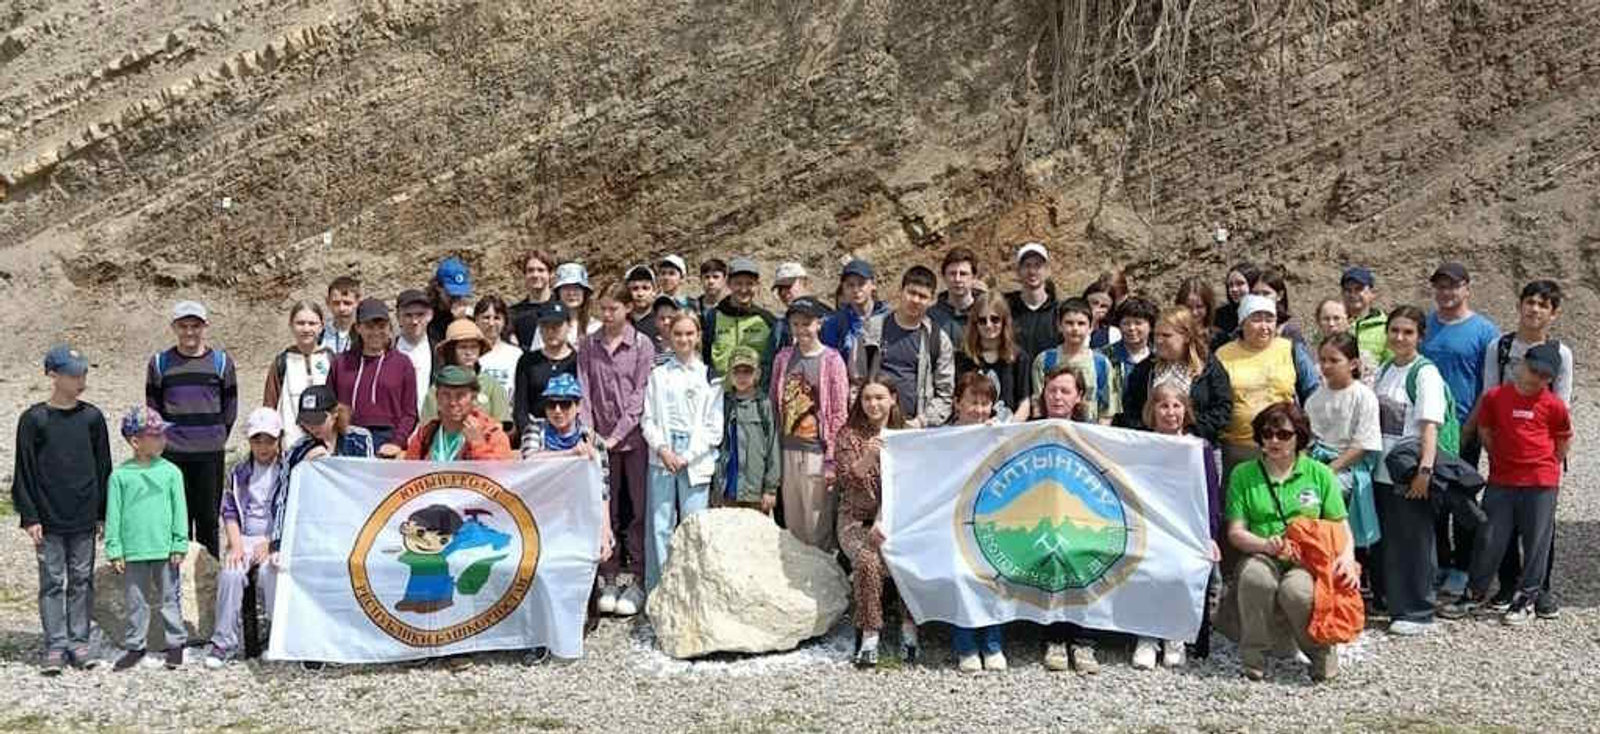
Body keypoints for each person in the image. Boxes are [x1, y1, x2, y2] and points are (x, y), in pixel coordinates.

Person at [1223, 402, 1356, 682]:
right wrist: (1263, 544)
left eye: (1283, 435)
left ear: (1299, 437)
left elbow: (1339, 524)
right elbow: (1236, 532)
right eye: (1267, 434)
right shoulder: (1243, 474)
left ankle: (1320, 653)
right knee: (1255, 578)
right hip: (1263, 552)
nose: (1274, 441)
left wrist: (1346, 557)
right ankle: (1253, 657)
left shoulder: (1320, 474)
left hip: (1306, 560)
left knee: (1298, 592)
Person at [1443, 343, 1570, 625]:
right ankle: (1475, 591)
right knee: (1490, 536)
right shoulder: (1496, 397)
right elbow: (1485, 428)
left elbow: (1563, 438)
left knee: (1536, 540)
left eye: (1544, 376)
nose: (1536, 378)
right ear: (1522, 364)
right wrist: (1496, 454)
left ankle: (1527, 596)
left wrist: (1548, 464)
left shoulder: (1553, 404)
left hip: (1540, 481)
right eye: (1533, 369)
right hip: (1502, 479)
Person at [1474, 279, 1572, 618]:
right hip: (1503, 447)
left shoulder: (1561, 354)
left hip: (1539, 453)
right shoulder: (1498, 347)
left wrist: (1552, 457)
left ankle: (1539, 590)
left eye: (1543, 305)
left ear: (1554, 313)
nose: (1534, 309)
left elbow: (1561, 406)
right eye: (1530, 302)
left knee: (1540, 525)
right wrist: (1492, 446)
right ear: (1519, 305)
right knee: (1502, 520)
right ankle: (1507, 583)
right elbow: (1489, 392)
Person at [13, 345, 111, 674]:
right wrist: (30, 516)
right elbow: (24, 470)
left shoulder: (93, 418)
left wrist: (102, 513)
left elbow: (103, 467)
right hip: (48, 518)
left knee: (82, 579)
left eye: (83, 373)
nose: (80, 380)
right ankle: (55, 644)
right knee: (53, 581)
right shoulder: (34, 419)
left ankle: (79, 642)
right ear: (53, 376)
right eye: (72, 374)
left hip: (83, 516)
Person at [520, 372, 614, 664]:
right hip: (541, 518)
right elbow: (528, 460)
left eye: (565, 404)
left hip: (578, 519)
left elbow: (603, 490)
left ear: (577, 406)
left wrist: (605, 533)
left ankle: (575, 620)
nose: (557, 411)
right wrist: (571, 455)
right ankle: (538, 631)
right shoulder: (535, 430)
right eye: (552, 405)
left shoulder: (592, 440)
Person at [1420, 262, 1498, 597]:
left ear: (1467, 288)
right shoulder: (1426, 324)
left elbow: (1489, 384)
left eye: (1453, 286)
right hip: (1428, 426)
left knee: (1461, 497)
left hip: (1463, 426)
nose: (1446, 292)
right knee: (1431, 498)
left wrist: (1471, 426)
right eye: (1440, 286)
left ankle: (1464, 567)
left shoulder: (1484, 331)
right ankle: (1440, 561)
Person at [578, 281, 656, 618]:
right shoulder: (588, 344)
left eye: (613, 309)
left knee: (638, 511)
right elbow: (584, 390)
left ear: (627, 309)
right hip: (599, 443)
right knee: (604, 512)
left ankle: (638, 577)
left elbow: (640, 395)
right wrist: (591, 432)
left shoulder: (642, 345)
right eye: (603, 309)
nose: (607, 315)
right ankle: (608, 576)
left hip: (633, 441)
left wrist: (617, 434)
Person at [1136, 381, 1223, 669]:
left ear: (1186, 411)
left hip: (1188, 529)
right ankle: (1146, 635)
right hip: (1149, 527)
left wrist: (1210, 537)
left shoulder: (1199, 449)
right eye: (1163, 405)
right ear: (1153, 410)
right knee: (1147, 567)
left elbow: (1211, 496)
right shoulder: (1138, 446)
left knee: (1182, 568)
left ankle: (1174, 635)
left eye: (1176, 406)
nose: (1170, 412)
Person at [1373, 305, 1448, 636]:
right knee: (1391, 540)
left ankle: (1418, 609)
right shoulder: (1387, 368)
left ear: (1420, 336)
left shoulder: (1425, 373)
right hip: (1382, 470)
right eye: (1395, 330)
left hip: (1409, 471)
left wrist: (1425, 471)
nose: (1400, 337)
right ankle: (1396, 602)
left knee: (1415, 540)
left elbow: (1429, 426)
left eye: (1408, 332)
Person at [146, 300, 238, 559]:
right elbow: (153, 409)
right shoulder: (160, 363)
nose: (189, 332)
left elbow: (230, 407)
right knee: (178, 520)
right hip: (173, 454)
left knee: (208, 520)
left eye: (195, 326)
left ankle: (208, 584)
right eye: (183, 326)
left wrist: (216, 436)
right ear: (174, 327)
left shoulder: (221, 363)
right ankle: (179, 586)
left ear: (204, 326)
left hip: (209, 453)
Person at [834, 377, 914, 668]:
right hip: (856, 520)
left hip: (898, 519)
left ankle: (909, 626)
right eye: (867, 398)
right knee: (868, 561)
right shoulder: (848, 435)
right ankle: (870, 633)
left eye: (880, 397)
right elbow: (846, 479)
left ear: (893, 398)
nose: (873, 404)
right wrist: (870, 456)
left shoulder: (906, 434)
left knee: (907, 557)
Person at [641, 313, 722, 593]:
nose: (684, 339)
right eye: (678, 334)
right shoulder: (659, 375)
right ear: (668, 336)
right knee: (660, 526)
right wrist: (663, 449)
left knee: (693, 526)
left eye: (689, 333)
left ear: (698, 335)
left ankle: (692, 590)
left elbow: (714, 429)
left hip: (694, 459)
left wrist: (686, 456)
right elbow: (647, 419)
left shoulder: (710, 377)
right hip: (662, 455)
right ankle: (659, 589)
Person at [105, 407, 189, 672]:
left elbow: (180, 510)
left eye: (163, 434)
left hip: (165, 550)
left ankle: (175, 645)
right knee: (135, 601)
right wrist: (115, 548)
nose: (163, 439)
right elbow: (113, 514)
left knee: (169, 598)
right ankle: (135, 646)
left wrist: (179, 542)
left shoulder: (172, 472)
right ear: (135, 441)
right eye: (156, 435)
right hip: (133, 551)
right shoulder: (119, 476)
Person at [204, 408, 284, 669]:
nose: (263, 447)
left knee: (270, 571)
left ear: (279, 439)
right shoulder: (238, 472)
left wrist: (272, 541)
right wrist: (236, 544)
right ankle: (223, 641)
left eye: (269, 440)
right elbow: (228, 510)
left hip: (275, 536)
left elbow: (291, 512)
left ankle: (276, 636)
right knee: (230, 572)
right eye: (257, 440)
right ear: (249, 441)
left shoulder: (287, 473)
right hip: (245, 536)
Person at [1032, 365, 1100, 673]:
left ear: (1079, 397)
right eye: (1052, 390)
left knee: (1085, 555)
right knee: (1053, 555)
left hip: (1085, 519)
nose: (1057, 397)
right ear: (1043, 393)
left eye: (1065, 391)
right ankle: (1055, 638)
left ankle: (1084, 641)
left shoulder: (1096, 434)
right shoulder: (1027, 430)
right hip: (1038, 518)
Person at [770, 297, 849, 550]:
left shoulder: (832, 360)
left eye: (807, 323)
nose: (801, 329)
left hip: (817, 452)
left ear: (819, 324)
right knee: (793, 527)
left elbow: (839, 412)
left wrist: (832, 459)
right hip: (788, 449)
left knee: (817, 526)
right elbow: (774, 401)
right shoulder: (783, 358)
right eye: (795, 324)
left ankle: (823, 586)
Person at [1214, 294, 1319, 475]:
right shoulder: (1223, 354)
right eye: (1256, 319)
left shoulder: (1289, 349)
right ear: (1242, 323)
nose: (1264, 326)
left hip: (1284, 444)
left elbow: (1313, 391)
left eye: (1269, 320)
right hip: (1239, 449)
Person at [946, 373, 1007, 674]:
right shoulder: (939, 438)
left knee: (994, 570)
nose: (980, 409)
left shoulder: (998, 435)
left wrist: (1001, 438)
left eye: (986, 404)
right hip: (948, 524)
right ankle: (966, 646)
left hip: (990, 522)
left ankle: (993, 643)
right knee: (961, 573)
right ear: (957, 403)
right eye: (973, 402)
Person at [1305, 333, 1383, 551]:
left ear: (1353, 363)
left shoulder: (1363, 397)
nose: (1327, 366)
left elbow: (1362, 445)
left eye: (1334, 360)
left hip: (1349, 467)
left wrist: (1329, 471)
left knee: (1319, 496)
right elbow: (1306, 440)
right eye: (1323, 360)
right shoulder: (1315, 398)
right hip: (1317, 463)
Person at [850, 265, 955, 428]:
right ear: (901, 290)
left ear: (932, 300)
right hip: (873, 424)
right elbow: (856, 380)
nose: (915, 300)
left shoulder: (938, 340)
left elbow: (945, 393)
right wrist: (861, 419)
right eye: (911, 292)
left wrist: (922, 421)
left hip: (915, 429)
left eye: (923, 296)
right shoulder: (872, 329)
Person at [1116, 306, 1233, 444]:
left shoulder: (1208, 367)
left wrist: (1189, 431)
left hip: (1198, 447)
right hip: (1153, 446)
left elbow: (1222, 410)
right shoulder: (1145, 369)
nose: (1158, 340)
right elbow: (1131, 410)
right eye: (1156, 335)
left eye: (1166, 335)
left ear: (1187, 337)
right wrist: (1151, 432)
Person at [327, 298, 416, 457]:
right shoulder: (340, 363)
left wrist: (397, 442)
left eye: (382, 326)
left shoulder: (403, 364)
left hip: (387, 443)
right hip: (347, 439)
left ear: (390, 328)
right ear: (358, 328)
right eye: (369, 326)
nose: (376, 332)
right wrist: (330, 441)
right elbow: (329, 406)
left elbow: (410, 413)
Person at [711, 347, 781, 513]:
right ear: (729, 373)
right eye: (737, 372)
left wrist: (770, 489)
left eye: (748, 371)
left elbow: (773, 447)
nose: (742, 377)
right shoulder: (723, 402)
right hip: (727, 487)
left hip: (755, 489)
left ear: (757, 374)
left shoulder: (763, 403)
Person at [1030, 298, 1115, 424]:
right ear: (1059, 326)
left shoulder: (1101, 363)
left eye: (1081, 323)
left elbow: (1108, 410)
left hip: (1088, 432)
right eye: (1069, 323)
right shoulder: (1044, 360)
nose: (1075, 328)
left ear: (1090, 327)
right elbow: (1038, 404)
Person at [405, 365, 515, 462]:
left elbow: (500, 478)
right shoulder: (426, 434)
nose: (453, 402)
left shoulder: (491, 433)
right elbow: (408, 474)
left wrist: (478, 443)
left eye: (460, 395)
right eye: (446, 395)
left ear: (473, 398)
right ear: (437, 398)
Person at [263, 301, 333, 448]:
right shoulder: (282, 362)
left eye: (312, 323)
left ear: (321, 327)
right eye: (300, 323)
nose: (306, 329)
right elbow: (270, 405)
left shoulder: (331, 359)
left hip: (328, 446)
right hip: (292, 443)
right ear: (291, 326)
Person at [956, 292, 1032, 422]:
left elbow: (1025, 403)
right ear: (975, 323)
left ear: (1004, 321)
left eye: (995, 319)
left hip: (1007, 431)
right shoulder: (963, 357)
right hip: (972, 429)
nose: (988, 325)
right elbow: (957, 400)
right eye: (982, 320)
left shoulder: (1019, 357)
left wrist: (1009, 429)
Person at [420, 319, 511, 426]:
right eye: (462, 347)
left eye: (474, 347)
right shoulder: (438, 388)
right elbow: (427, 427)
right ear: (451, 351)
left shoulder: (492, 385)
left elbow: (504, 426)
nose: (469, 352)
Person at [703, 257, 778, 383]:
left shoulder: (767, 319)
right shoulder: (714, 316)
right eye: (738, 283)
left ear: (757, 285)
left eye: (749, 284)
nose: (744, 289)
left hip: (754, 395)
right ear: (728, 284)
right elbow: (705, 355)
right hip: (719, 393)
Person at [514, 302, 580, 440]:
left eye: (557, 326)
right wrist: (530, 434)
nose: (551, 331)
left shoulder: (578, 361)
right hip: (536, 432)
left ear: (568, 326)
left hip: (572, 432)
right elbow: (521, 407)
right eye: (545, 326)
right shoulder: (528, 361)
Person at [820, 259, 888, 371]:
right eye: (850, 285)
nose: (856, 290)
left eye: (861, 283)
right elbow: (828, 362)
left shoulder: (889, 318)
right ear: (843, 288)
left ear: (873, 285)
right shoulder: (834, 323)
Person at [1004, 242, 1061, 360]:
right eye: (1027, 265)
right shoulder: (1006, 307)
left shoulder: (1059, 311)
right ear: (1018, 271)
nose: (1032, 271)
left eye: (1038, 266)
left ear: (1047, 271)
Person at [1104, 296, 1156, 415]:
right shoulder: (1104, 356)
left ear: (1150, 326)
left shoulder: (1158, 359)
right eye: (1126, 323)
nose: (1132, 328)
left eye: (1138, 323)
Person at [474, 297, 522, 410]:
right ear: (476, 320)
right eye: (486, 318)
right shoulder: (469, 353)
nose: (491, 323)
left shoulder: (515, 354)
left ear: (504, 321)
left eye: (497, 318)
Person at [929, 247, 979, 351]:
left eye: (963, 274)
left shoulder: (988, 314)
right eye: (952, 273)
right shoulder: (929, 317)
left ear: (974, 277)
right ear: (944, 276)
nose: (957, 279)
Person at [1340, 266, 1389, 371]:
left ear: (1372, 293)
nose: (1353, 295)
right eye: (1348, 290)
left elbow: (1392, 364)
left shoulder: (1386, 327)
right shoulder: (1334, 324)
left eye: (1359, 289)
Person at [393, 289, 435, 412]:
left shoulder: (440, 352)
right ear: (398, 317)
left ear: (430, 315)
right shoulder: (387, 352)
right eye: (408, 315)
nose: (414, 321)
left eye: (420, 315)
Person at [508, 250, 556, 348]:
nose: (535, 275)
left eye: (541, 270)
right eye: (530, 270)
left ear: (551, 274)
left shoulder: (562, 307)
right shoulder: (513, 314)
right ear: (524, 275)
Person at [546, 262, 599, 350]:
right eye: (566, 287)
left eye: (576, 287)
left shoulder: (596, 327)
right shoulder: (546, 326)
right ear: (558, 293)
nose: (571, 293)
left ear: (584, 293)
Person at [1250, 266, 1303, 345]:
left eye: (1266, 293)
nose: (1260, 298)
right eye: (1256, 294)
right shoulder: (1244, 326)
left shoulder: (1289, 330)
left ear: (1279, 295)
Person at [427, 256, 474, 345]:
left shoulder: (468, 315)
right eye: (451, 295)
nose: (456, 299)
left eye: (460, 295)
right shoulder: (427, 316)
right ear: (438, 287)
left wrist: (463, 323)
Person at [1212, 262, 1260, 345]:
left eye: (1240, 284)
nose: (1234, 289)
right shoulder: (1220, 316)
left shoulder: (1264, 313)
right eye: (1230, 285)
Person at [318, 276, 360, 354]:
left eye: (347, 303)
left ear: (357, 302)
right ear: (327, 302)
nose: (341, 309)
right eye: (336, 303)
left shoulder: (363, 334)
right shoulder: (318, 333)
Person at [1082, 276, 1123, 349]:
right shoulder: (1067, 326)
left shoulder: (1113, 333)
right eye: (1094, 303)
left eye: (1103, 306)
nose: (1097, 308)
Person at [1175, 277, 1216, 342]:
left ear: (1208, 307)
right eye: (1188, 307)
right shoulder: (1171, 339)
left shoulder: (1220, 339)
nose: (1194, 312)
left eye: (1199, 306)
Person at [625, 264, 660, 337]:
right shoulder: (620, 322)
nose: (640, 294)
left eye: (645, 288)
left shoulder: (662, 323)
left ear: (655, 291)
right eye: (635, 288)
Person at [648, 295, 682, 366]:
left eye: (670, 317)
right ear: (655, 321)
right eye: (662, 318)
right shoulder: (649, 346)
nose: (666, 322)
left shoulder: (685, 344)